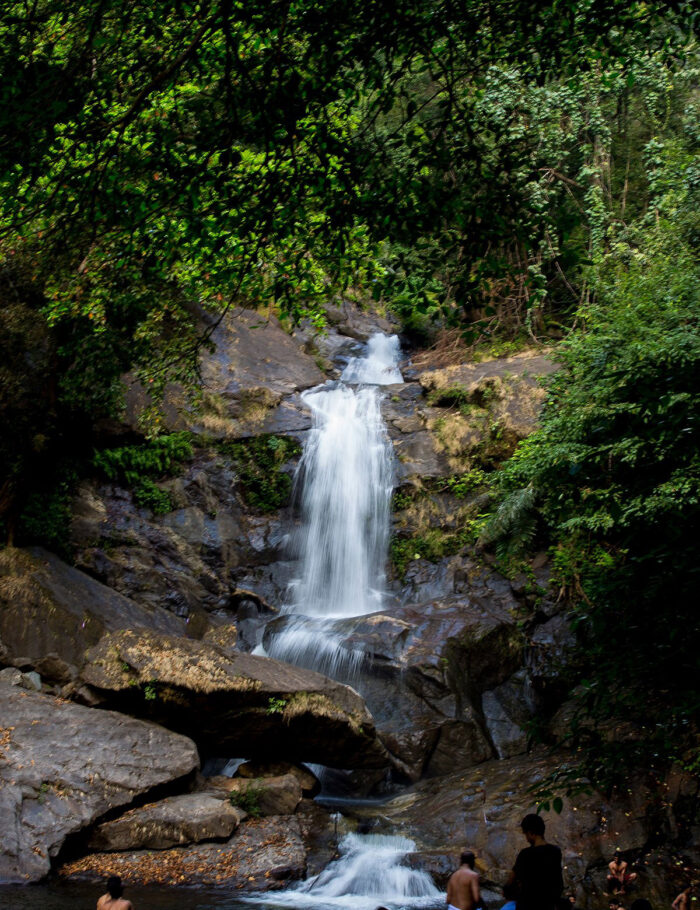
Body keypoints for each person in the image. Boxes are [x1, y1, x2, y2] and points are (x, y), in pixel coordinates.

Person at [507, 813, 563, 910]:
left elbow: (512, 880)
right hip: (547, 905)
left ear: (531, 833)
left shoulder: (525, 854)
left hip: (527, 904)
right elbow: (558, 881)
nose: (526, 838)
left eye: (526, 834)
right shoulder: (555, 851)